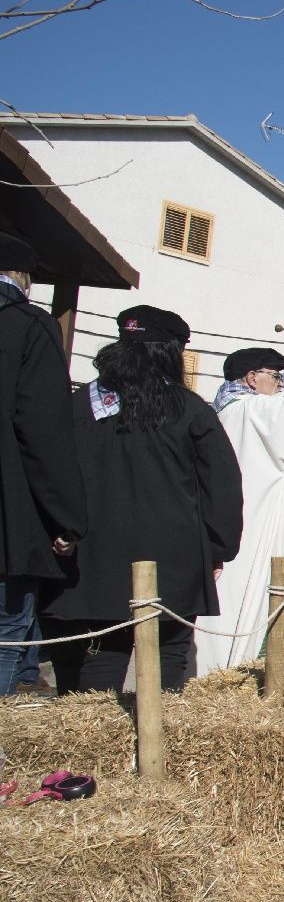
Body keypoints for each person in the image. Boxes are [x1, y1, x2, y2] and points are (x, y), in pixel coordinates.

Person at [43, 306, 243, 693]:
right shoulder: (189, 408)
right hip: (173, 552)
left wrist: (59, 528)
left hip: (95, 550)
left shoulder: (81, 403)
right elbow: (222, 485)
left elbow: (50, 469)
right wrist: (217, 547)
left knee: (103, 647)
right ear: (170, 351)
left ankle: (97, 745)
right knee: (168, 650)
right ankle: (158, 741)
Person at [193, 333, 284, 675]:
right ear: (250, 378)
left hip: (235, 529)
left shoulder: (227, 412)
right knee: (239, 613)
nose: (279, 384)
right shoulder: (252, 411)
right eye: (274, 376)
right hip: (248, 535)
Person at [0, 233, 86, 696]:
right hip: (5, 511)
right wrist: (67, 518)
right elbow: (43, 430)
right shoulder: (29, 326)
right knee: (6, 625)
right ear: (24, 279)